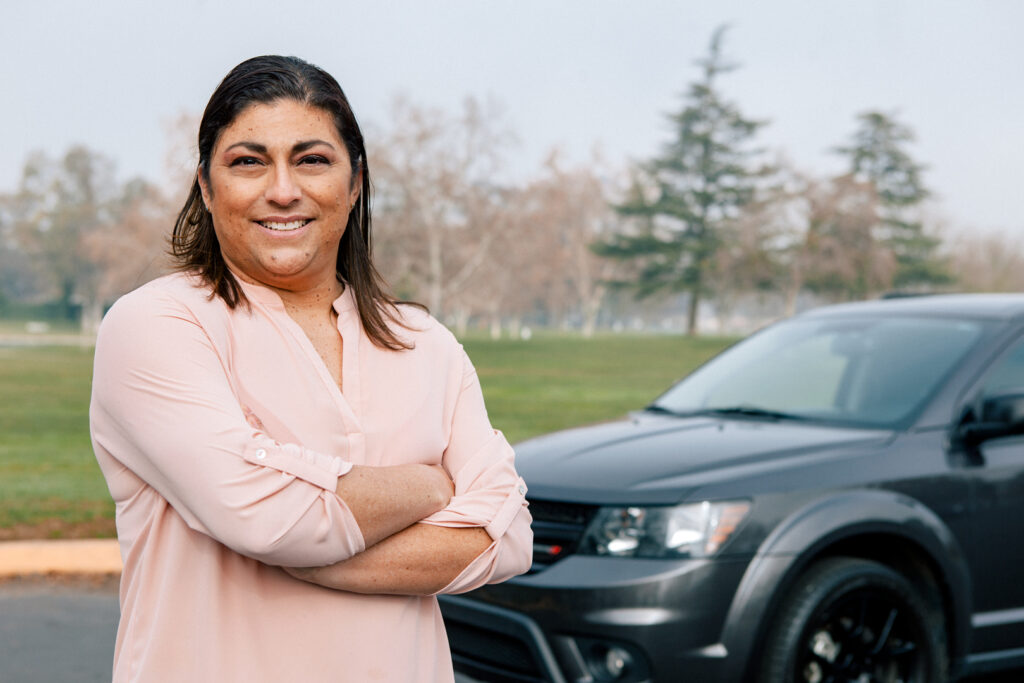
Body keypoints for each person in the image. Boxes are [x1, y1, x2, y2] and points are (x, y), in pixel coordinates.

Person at [89, 55, 533, 682]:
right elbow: (265, 516)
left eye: (311, 159)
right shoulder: (157, 325)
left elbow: (508, 536)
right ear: (207, 187)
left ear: (354, 183)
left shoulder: (426, 344)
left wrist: (310, 550)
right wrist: (431, 487)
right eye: (248, 161)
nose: (282, 189)